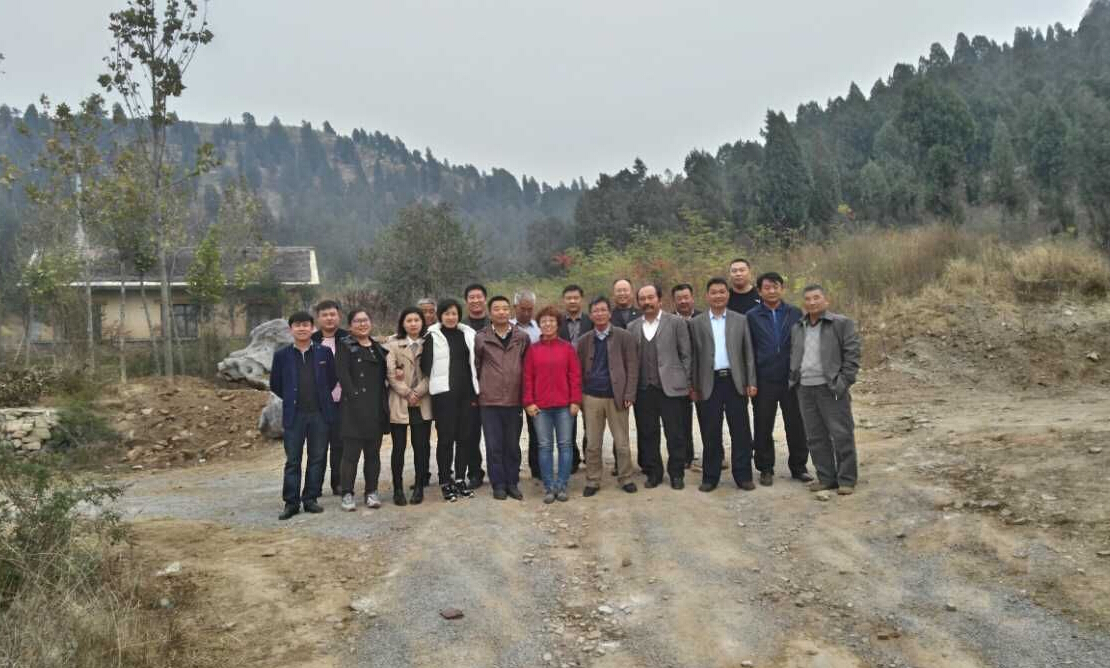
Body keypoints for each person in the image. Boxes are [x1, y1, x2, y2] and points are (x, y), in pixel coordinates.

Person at [790, 285, 861, 495]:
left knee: (841, 434)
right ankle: (826, 478)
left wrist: (843, 382)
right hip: (805, 389)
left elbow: (852, 355)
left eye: (816, 298)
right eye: (808, 299)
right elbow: (794, 354)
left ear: (825, 300)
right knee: (815, 437)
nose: (812, 302)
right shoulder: (798, 327)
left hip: (831, 388)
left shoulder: (841, 323)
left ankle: (846, 479)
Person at [689, 277, 757, 492]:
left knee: (741, 431)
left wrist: (751, 381)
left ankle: (743, 476)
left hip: (735, 382)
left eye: (722, 292)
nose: (718, 296)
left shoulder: (740, 320)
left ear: (728, 295)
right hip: (708, 383)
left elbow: (748, 354)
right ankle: (710, 477)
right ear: (707, 296)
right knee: (710, 431)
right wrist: (693, 386)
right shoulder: (696, 323)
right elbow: (693, 357)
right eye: (714, 292)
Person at [270, 311, 338, 520]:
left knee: (317, 458)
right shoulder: (281, 355)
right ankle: (291, 503)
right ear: (290, 329)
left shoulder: (324, 352)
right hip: (295, 415)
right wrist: (292, 398)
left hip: (320, 414)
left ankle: (310, 498)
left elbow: (332, 380)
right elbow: (276, 384)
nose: (302, 328)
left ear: (312, 328)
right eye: (297, 325)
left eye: (306, 325)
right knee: (293, 460)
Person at [747, 272, 812, 486]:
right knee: (763, 425)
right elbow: (748, 350)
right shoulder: (752, 316)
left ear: (782, 288)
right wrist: (752, 380)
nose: (772, 291)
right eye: (767, 287)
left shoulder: (795, 313)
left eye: (775, 287)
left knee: (796, 424)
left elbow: (803, 343)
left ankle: (799, 467)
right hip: (764, 379)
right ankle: (765, 468)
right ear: (759, 291)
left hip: (791, 378)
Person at [628, 284, 692, 490]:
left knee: (675, 433)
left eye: (651, 297)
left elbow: (686, 355)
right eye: (643, 299)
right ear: (638, 303)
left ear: (659, 300)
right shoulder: (632, 327)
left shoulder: (676, 323)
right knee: (648, 433)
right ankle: (654, 472)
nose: (647, 302)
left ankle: (677, 473)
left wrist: (686, 382)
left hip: (671, 388)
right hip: (643, 389)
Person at [576, 297, 639, 496]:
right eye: (596, 311)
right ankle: (593, 480)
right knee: (593, 443)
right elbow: (578, 370)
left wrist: (629, 393)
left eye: (603, 310)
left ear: (610, 313)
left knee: (622, 443)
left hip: (617, 396)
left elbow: (632, 367)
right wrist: (580, 397)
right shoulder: (584, 340)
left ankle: (626, 477)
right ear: (591, 315)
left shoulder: (624, 336)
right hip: (591, 397)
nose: (600, 314)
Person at [420, 299, 480, 502]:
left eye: (454, 313)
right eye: (447, 314)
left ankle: (460, 478)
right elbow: (425, 365)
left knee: (464, 438)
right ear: (440, 316)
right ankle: (445, 481)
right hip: (443, 396)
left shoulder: (468, 334)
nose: (451, 317)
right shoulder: (432, 335)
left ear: (459, 315)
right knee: (445, 439)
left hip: (467, 394)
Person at [523, 306, 582, 503]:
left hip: (564, 406)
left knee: (565, 445)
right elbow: (527, 378)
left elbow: (575, 376)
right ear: (539, 325)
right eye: (543, 321)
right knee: (545, 446)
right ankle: (549, 486)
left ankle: (562, 485)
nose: (547, 324)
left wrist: (575, 401)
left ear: (558, 324)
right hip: (541, 408)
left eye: (551, 321)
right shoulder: (533, 350)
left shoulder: (567, 348)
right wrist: (529, 402)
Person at [474, 296, 530, 501]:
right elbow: (476, 366)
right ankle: (498, 484)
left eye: (505, 308)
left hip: (514, 399)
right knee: (494, 445)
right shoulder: (481, 337)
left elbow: (527, 366)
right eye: (497, 309)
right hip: (489, 400)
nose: (501, 312)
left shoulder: (521, 337)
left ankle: (512, 482)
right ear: (490, 313)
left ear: (510, 311)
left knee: (512, 445)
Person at [334, 308, 390, 511]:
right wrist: (356, 399)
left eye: (365, 320)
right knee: (351, 455)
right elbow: (343, 375)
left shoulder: (378, 348)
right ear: (350, 326)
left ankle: (371, 492)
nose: (362, 324)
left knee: (373, 454)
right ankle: (347, 493)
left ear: (371, 323)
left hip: (376, 407)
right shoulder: (345, 345)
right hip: (354, 408)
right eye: (357, 321)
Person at [385, 307, 433, 505]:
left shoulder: (429, 343)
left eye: (416, 320)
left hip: (423, 401)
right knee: (398, 447)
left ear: (422, 322)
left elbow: (433, 372)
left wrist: (418, 392)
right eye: (409, 320)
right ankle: (398, 489)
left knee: (421, 447)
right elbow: (390, 372)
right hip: (400, 400)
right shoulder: (392, 344)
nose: (413, 324)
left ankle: (419, 486)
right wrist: (407, 392)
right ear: (403, 323)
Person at [311, 300, 348, 496]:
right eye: (324, 315)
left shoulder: (348, 339)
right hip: (318, 403)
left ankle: (338, 482)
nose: (329, 318)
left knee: (339, 445)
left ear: (339, 316)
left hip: (343, 401)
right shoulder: (311, 341)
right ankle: (314, 486)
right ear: (318, 318)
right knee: (318, 446)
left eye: (332, 314)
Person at [558, 284, 591, 472]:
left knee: (591, 423)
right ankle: (572, 458)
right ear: (564, 300)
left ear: (581, 300)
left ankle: (589, 455)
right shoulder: (557, 323)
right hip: (564, 380)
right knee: (567, 423)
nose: (572, 301)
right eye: (568, 298)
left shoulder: (591, 320)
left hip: (588, 379)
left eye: (575, 298)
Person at [461, 283, 490, 488]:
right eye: (472, 297)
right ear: (466, 301)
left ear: (485, 299)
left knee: (496, 433)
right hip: (468, 389)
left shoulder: (495, 323)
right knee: (470, 434)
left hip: (492, 386)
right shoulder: (460, 326)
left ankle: (501, 471)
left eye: (479, 296)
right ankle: (474, 473)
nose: (476, 300)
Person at [510, 289, 542, 478]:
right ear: (515, 307)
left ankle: (537, 468)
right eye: (523, 309)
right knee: (512, 431)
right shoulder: (506, 327)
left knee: (536, 430)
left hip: (534, 387)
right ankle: (512, 469)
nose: (527, 313)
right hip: (511, 387)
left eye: (530, 309)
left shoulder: (539, 328)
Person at [672, 283, 702, 469]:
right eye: (679, 298)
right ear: (673, 301)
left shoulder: (704, 318)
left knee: (709, 419)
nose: (683, 301)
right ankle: (685, 456)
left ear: (692, 298)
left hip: (703, 376)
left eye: (686, 297)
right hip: (679, 379)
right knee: (681, 420)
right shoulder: (667, 321)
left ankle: (717, 455)